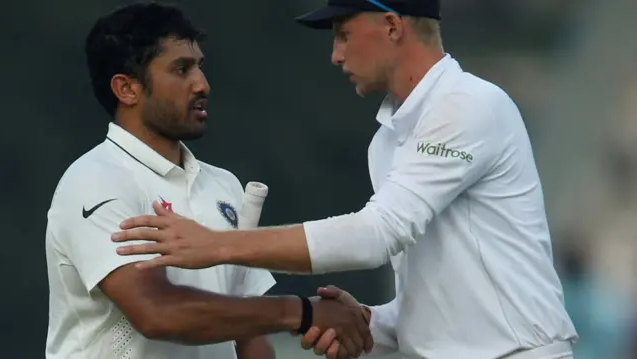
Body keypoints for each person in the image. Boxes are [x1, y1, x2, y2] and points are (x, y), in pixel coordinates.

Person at [111, 0, 579, 358]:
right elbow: (438, 300)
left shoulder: (469, 105)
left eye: (343, 34)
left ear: (392, 26)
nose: (335, 55)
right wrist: (363, 321)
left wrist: (213, 245)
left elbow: (374, 236)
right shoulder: (391, 138)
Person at [44, 2, 372, 359]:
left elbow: (250, 338)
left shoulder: (223, 185)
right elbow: (157, 312)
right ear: (127, 89)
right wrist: (302, 312)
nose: (203, 84)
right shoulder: (97, 180)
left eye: (199, 66)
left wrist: (323, 321)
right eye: (181, 69)